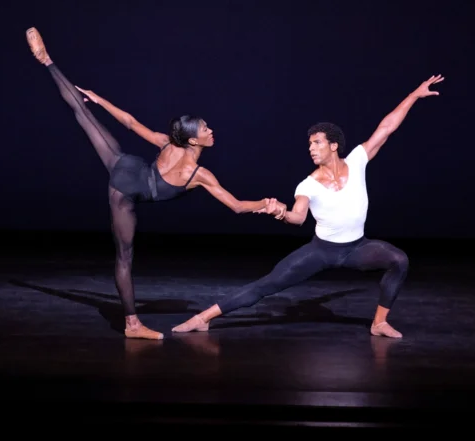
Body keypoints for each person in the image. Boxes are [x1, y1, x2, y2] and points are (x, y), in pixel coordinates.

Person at [25, 27, 279, 340]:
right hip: (125, 190)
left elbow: (130, 123)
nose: (211, 131)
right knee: (124, 257)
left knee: (82, 112)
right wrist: (266, 206)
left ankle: (48, 61)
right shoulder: (198, 174)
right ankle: (132, 326)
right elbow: (238, 207)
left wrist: (100, 101)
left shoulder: (168, 144)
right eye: (205, 129)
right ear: (192, 138)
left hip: (125, 164)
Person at [171, 74, 444, 339]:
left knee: (399, 260)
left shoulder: (358, 160)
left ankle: (379, 323)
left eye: (317, 143)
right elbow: (298, 218)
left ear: (333, 145)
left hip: (357, 248)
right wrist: (280, 212)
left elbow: (386, 127)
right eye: (309, 144)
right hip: (322, 251)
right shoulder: (308, 185)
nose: (311, 148)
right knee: (267, 285)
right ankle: (202, 318)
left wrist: (414, 95)